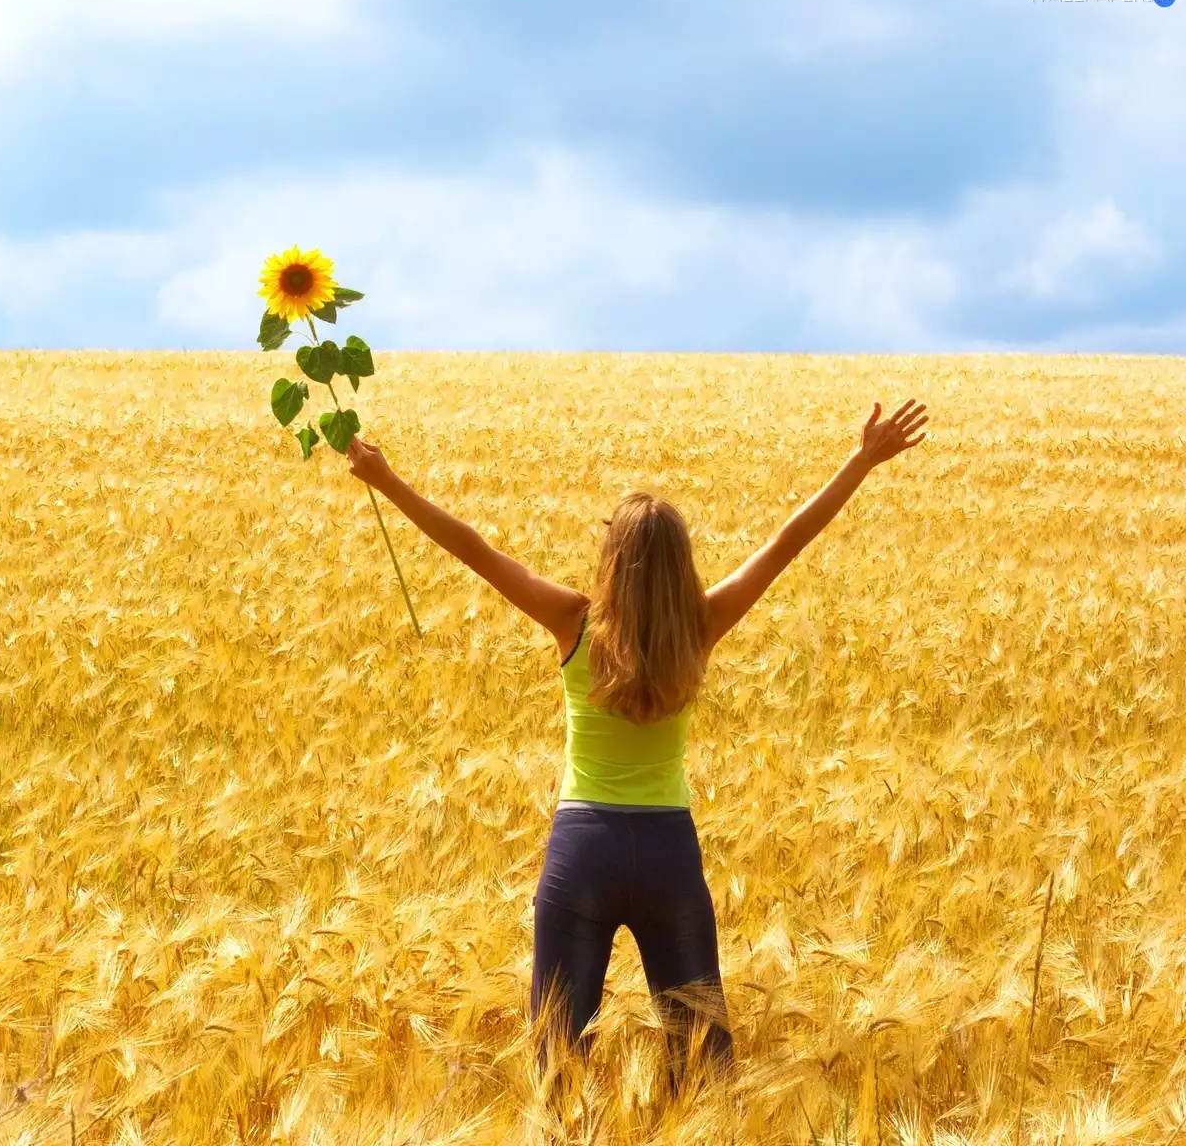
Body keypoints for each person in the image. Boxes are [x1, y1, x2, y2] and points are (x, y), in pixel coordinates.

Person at [343, 398, 930, 1084]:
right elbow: (784, 544)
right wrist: (860, 461)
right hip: (668, 855)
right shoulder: (702, 624)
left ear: (611, 559)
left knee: (558, 1063)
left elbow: (475, 549)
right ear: (681, 564)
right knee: (702, 1067)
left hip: (581, 850)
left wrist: (388, 481)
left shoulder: (573, 622)